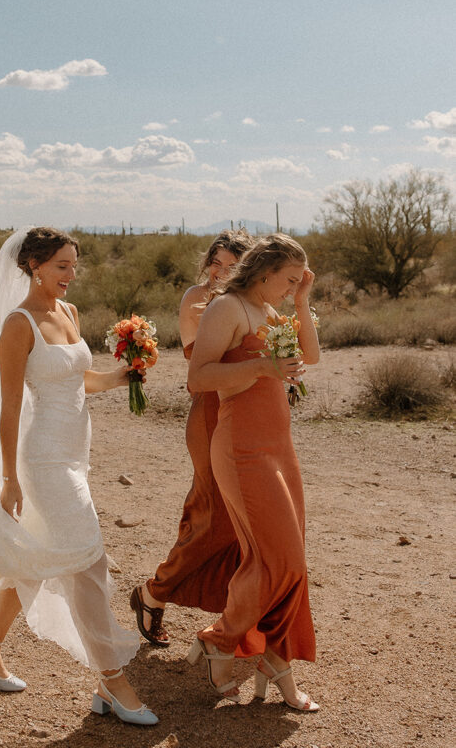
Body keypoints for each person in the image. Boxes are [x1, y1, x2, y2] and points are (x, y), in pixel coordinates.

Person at [0, 227, 158, 727]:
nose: (72, 275)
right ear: (34, 266)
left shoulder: (67, 313)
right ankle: (111, 679)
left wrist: (123, 375)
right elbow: (8, 407)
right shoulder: (18, 324)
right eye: (63, 266)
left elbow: (77, 378)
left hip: (75, 452)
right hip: (41, 458)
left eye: (75, 265)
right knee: (89, 558)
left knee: (39, 553)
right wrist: (10, 478)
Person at [185, 233, 320, 710]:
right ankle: (222, 640)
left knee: (288, 557)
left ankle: (273, 657)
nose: (291, 287)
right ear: (264, 272)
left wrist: (301, 303)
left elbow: (313, 355)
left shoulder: (270, 310)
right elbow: (197, 378)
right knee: (279, 558)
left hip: (278, 446)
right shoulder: (228, 308)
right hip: (241, 448)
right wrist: (264, 366)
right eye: (289, 279)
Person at [130, 230, 253, 648]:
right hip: (211, 413)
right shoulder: (198, 300)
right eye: (215, 263)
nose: (219, 272)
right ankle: (153, 592)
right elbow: (208, 360)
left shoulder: (254, 302)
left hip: (249, 413)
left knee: (243, 519)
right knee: (214, 513)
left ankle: (235, 615)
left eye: (231, 265)